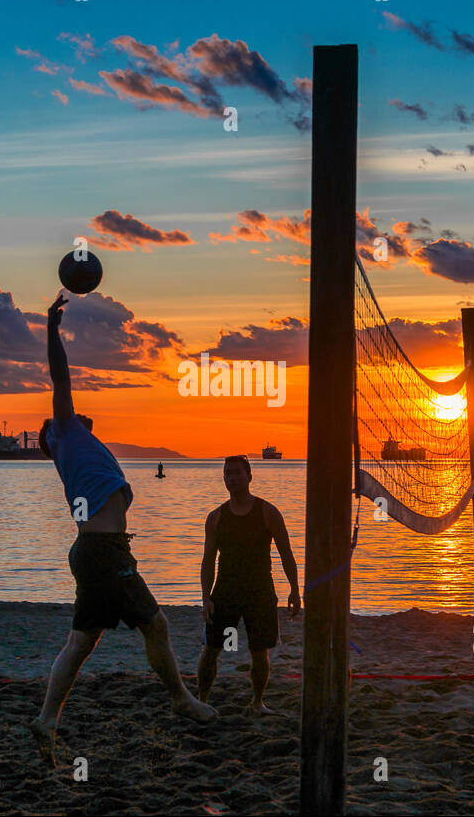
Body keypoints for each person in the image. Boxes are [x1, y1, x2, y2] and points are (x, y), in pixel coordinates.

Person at [30, 294, 215, 767]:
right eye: (65, 415)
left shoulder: (83, 446)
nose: (74, 413)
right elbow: (60, 375)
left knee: (82, 641)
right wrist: (52, 329)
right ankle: (181, 700)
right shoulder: (67, 433)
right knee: (156, 624)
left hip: (97, 550)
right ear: (57, 430)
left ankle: (48, 719)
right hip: (103, 552)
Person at [196, 455, 299, 714]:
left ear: (249, 476)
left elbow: (287, 555)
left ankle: (257, 702)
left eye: (237, 473)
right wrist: (205, 597)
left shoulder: (268, 512)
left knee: (259, 651)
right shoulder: (216, 517)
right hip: (225, 590)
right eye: (228, 474)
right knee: (211, 649)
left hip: (260, 591)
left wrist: (295, 590)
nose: (232, 478)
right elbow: (208, 560)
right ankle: (202, 700)